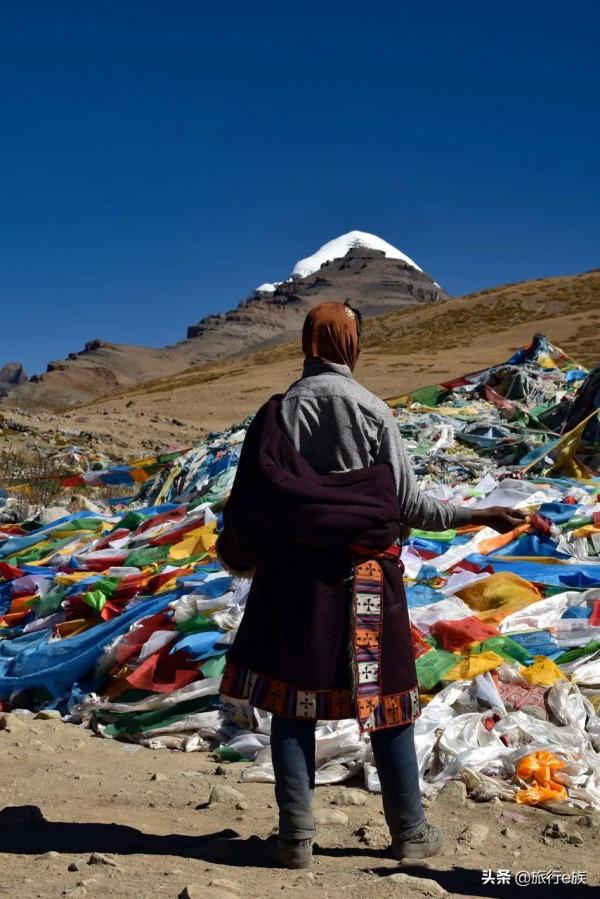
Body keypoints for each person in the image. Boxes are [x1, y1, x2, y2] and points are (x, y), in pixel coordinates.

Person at [217, 301, 525, 869]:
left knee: (293, 703)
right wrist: (477, 514)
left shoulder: (280, 411)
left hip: (293, 579)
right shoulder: (372, 410)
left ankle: (294, 840)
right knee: (387, 703)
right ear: (351, 345)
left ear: (307, 344)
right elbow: (407, 504)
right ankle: (410, 833)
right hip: (364, 580)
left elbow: (252, 501)